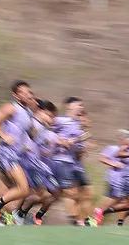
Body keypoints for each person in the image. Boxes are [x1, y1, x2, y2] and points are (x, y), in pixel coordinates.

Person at [0, 81, 36, 225]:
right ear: (16, 95)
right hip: (7, 152)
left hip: (15, 154)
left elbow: (27, 132)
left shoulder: (28, 112)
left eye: (28, 92)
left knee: (6, 193)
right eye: (23, 92)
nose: (27, 95)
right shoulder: (12, 107)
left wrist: (30, 142)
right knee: (23, 189)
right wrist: (3, 135)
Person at [51, 97, 92, 226]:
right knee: (70, 193)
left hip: (71, 163)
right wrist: (61, 141)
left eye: (82, 106)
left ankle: (80, 220)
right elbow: (46, 131)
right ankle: (77, 221)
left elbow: (76, 147)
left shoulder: (78, 126)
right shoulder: (60, 120)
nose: (81, 108)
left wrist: (82, 150)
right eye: (79, 105)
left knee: (70, 193)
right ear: (70, 107)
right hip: (60, 160)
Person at [93, 129, 129, 225]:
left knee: (113, 201)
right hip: (115, 179)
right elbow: (102, 158)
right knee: (115, 200)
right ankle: (95, 218)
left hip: (124, 181)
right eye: (128, 138)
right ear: (121, 138)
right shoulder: (113, 148)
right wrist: (114, 164)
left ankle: (96, 218)